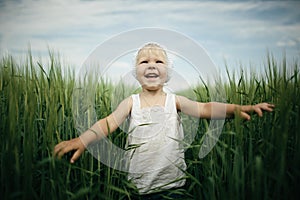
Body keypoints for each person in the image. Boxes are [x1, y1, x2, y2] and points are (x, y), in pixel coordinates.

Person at [54, 43, 274, 199]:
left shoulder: (175, 101)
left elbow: (205, 108)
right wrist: (82, 140)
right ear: (136, 72)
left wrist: (238, 109)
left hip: (174, 187)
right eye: (144, 61)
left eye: (158, 61)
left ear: (167, 73)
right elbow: (107, 123)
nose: (151, 65)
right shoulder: (131, 103)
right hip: (138, 190)